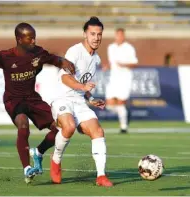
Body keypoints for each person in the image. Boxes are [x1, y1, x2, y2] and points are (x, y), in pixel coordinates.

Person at [0, 22, 75, 183]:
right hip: (13, 100)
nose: (33, 41)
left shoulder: (38, 53)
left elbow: (53, 59)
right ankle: (27, 168)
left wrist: (63, 61)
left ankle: (39, 151)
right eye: (29, 38)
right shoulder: (5, 56)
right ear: (19, 39)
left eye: (34, 37)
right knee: (23, 125)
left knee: (60, 129)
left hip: (32, 98)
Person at [49, 16, 113, 187]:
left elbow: (84, 85)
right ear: (85, 34)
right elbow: (65, 78)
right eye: (92, 34)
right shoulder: (74, 52)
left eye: (99, 34)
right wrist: (82, 87)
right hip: (62, 98)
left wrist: (91, 98)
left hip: (79, 101)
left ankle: (101, 176)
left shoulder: (96, 59)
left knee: (98, 131)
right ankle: (56, 159)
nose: (96, 38)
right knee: (68, 127)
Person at [104, 28, 138, 134]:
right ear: (115, 36)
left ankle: (123, 127)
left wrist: (123, 64)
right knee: (109, 105)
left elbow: (134, 63)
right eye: (118, 35)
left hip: (125, 79)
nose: (119, 37)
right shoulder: (111, 47)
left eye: (121, 35)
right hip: (113, 78)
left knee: (120, 102)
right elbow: (112, 62)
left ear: (124, 36)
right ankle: (125, 113)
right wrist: (107, 66)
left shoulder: (129, 48)